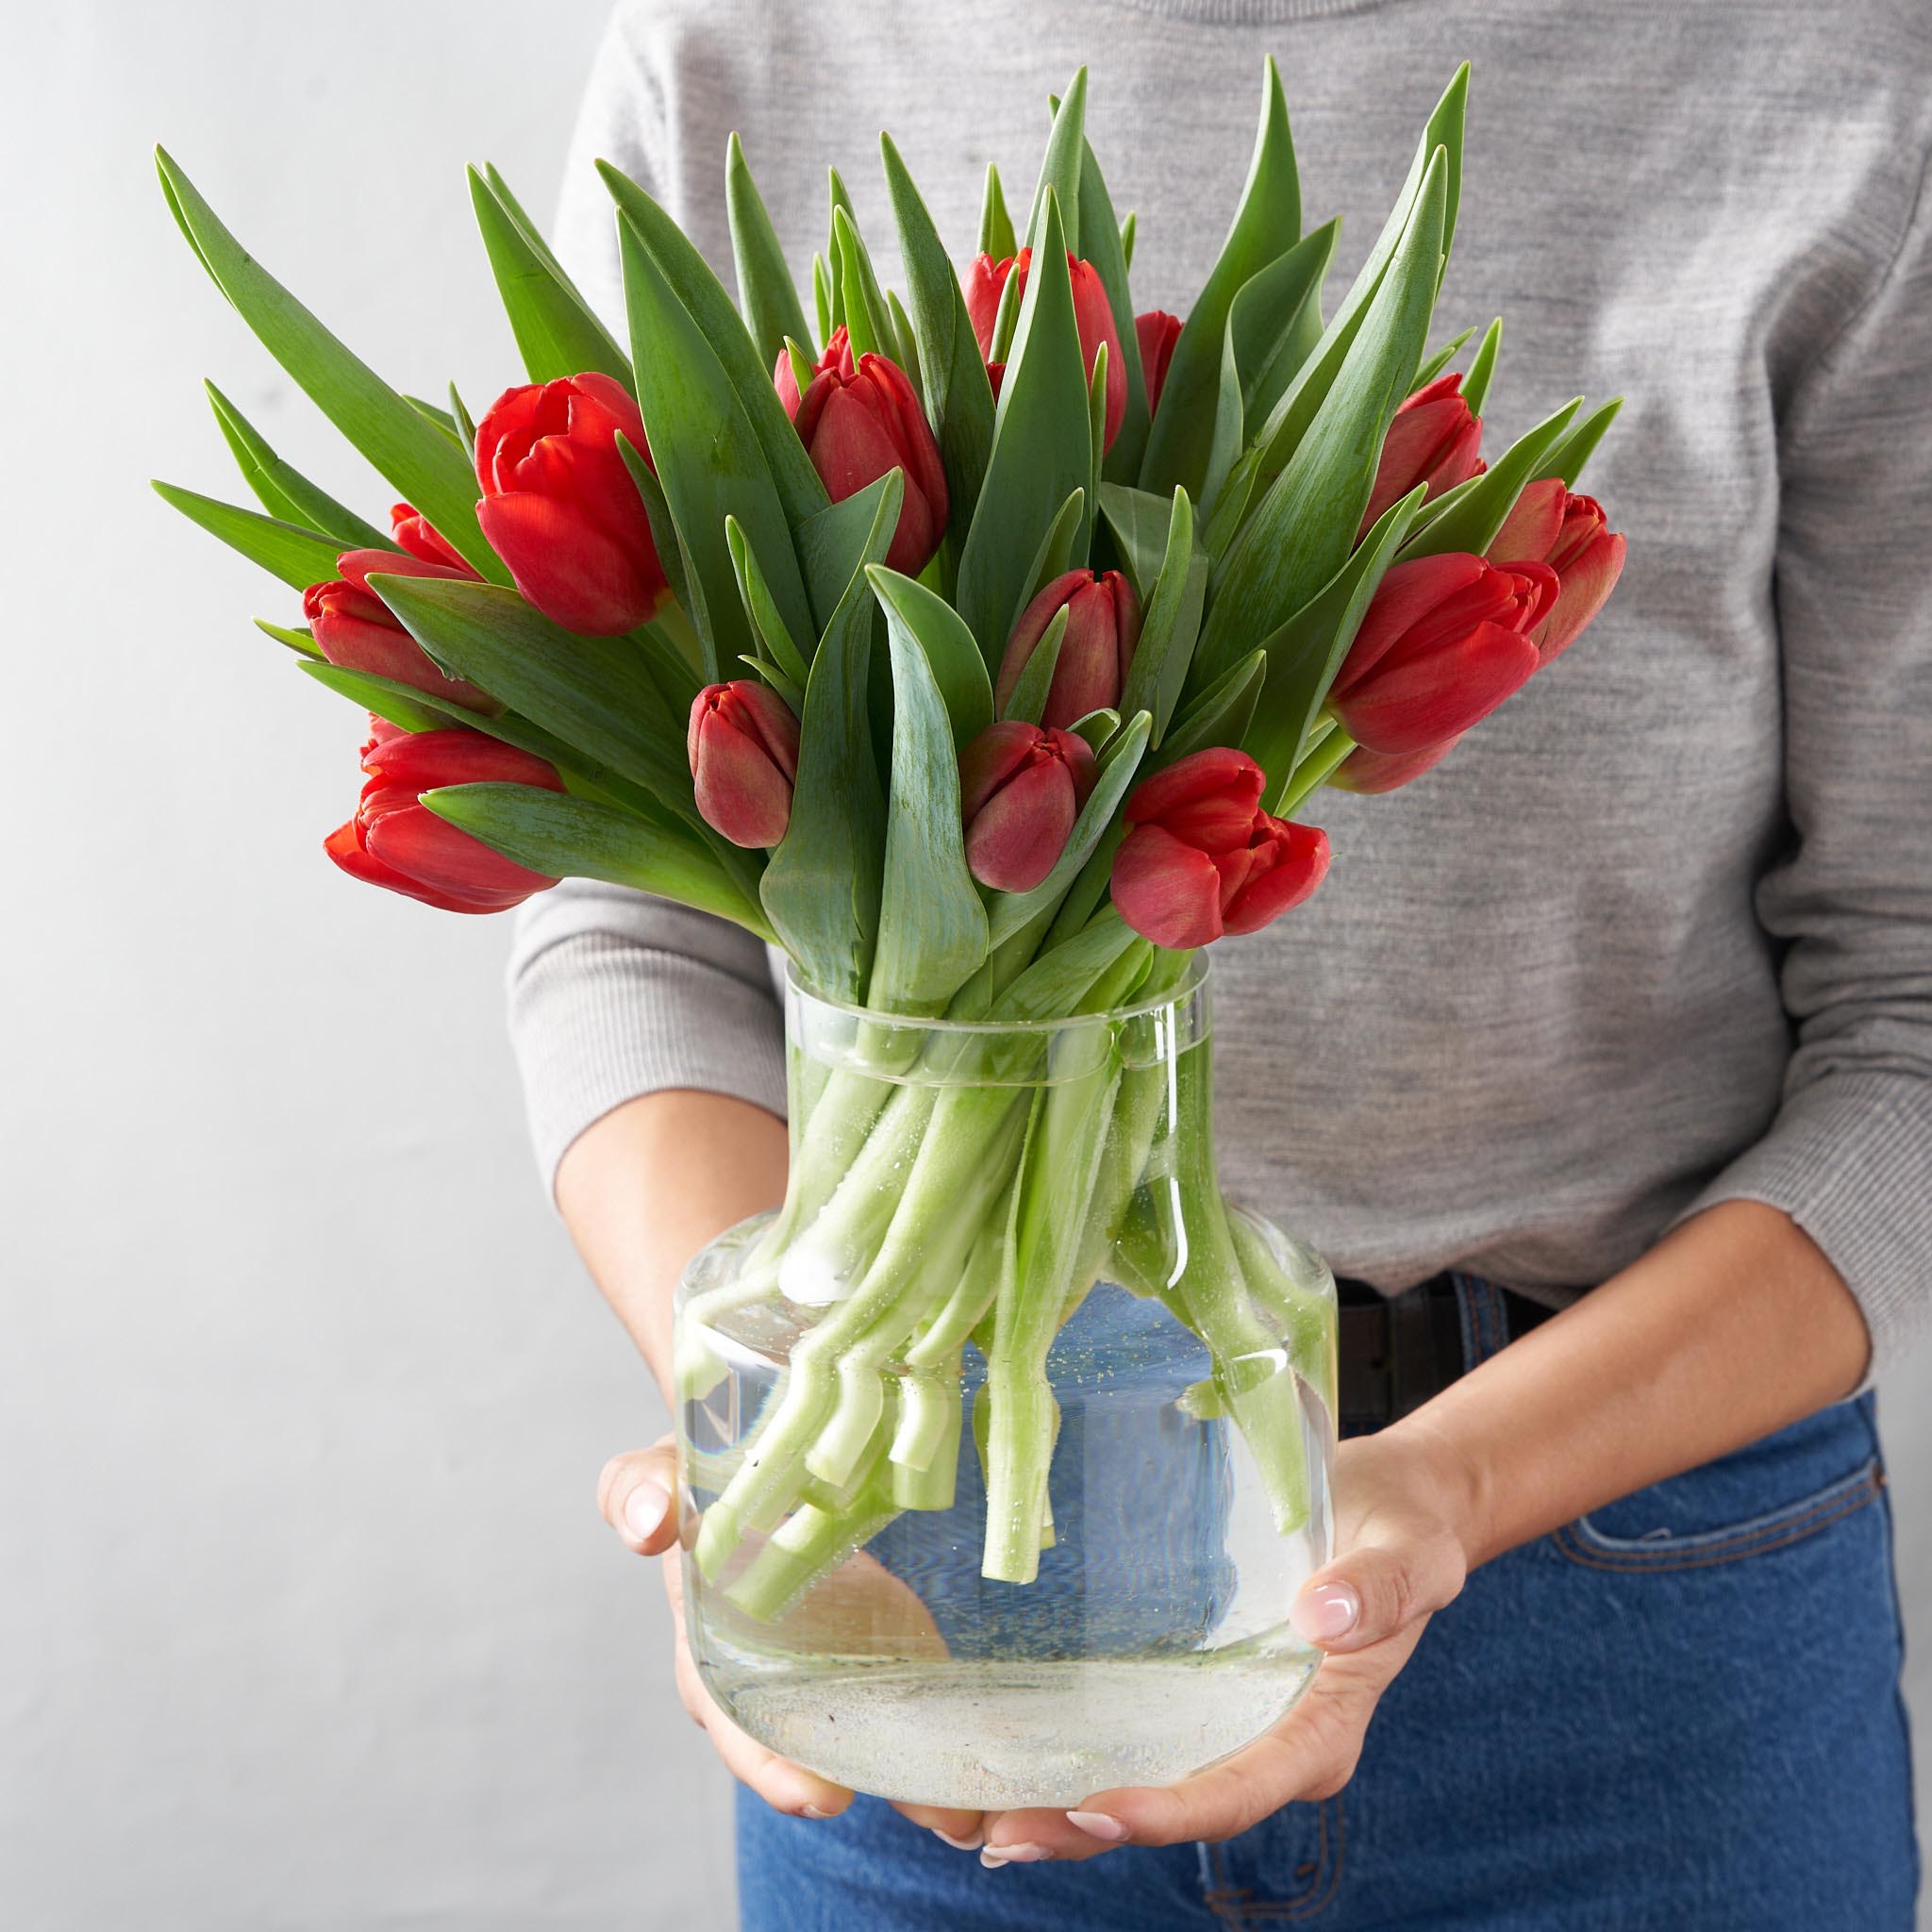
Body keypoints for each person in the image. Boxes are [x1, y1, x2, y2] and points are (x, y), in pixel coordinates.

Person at [510, 2, 1930, 1924]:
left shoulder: (1831, 75)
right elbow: (632, 907)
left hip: (1635, 1608)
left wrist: (1438, 1498)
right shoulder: (739, 53)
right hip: (923, 1578)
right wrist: (781, 1426)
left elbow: (1914, 1008)